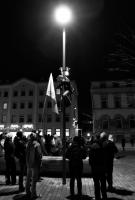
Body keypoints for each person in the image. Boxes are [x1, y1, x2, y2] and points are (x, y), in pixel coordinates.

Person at [89, 132, 107, 200]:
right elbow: (105, 157)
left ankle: (97, 197)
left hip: (95, 168)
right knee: (103, 183)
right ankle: (104, 197)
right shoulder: (104, 146)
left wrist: (92, 165)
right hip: (102, 167)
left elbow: (90, 159)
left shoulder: (92, 146)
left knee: (96, 184)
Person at [25, 132, 42, 199]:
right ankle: (33, 194)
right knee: (34, 179)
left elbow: (26, 153)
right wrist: (40, 162)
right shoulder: (37, 144)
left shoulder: (28, 144)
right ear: (35, 137)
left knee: (28, 178)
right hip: (35, 164)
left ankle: (27, 192)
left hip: (28, 163)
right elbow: (39, 155)